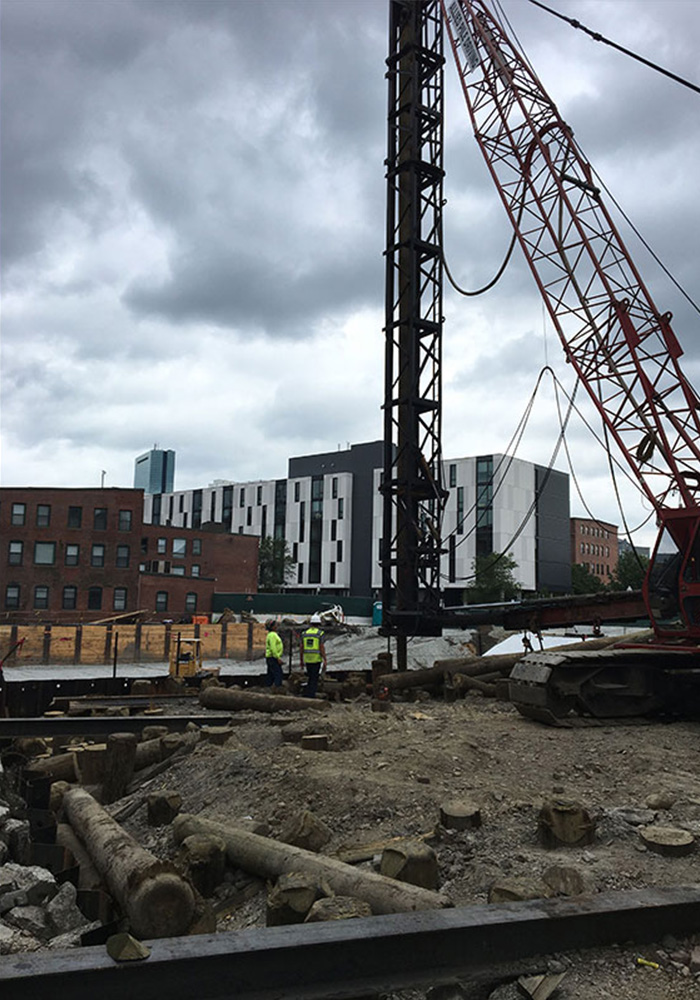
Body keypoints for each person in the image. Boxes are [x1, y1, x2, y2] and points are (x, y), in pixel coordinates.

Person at [300, 614, 327, 698]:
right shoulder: (320, 633)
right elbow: (321, 646)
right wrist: (324, 658)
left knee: (310, 677)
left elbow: (301, 647)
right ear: (318, 624)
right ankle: (311, 695)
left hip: (307, 658)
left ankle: (308, 693)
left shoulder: (304, 633)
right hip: (316, 659)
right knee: (314, 678)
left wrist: (301, 659)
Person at [265, 620, 284, 688]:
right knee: (278, 673)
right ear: (272, 627)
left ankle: (268, 686)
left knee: (270, 674)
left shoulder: (271, 635)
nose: (276, 626)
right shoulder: (272, 635)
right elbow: (273, 648)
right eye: (275, 625)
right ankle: (277, 688)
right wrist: (277, 657)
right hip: (273, 657)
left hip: (270, 657)